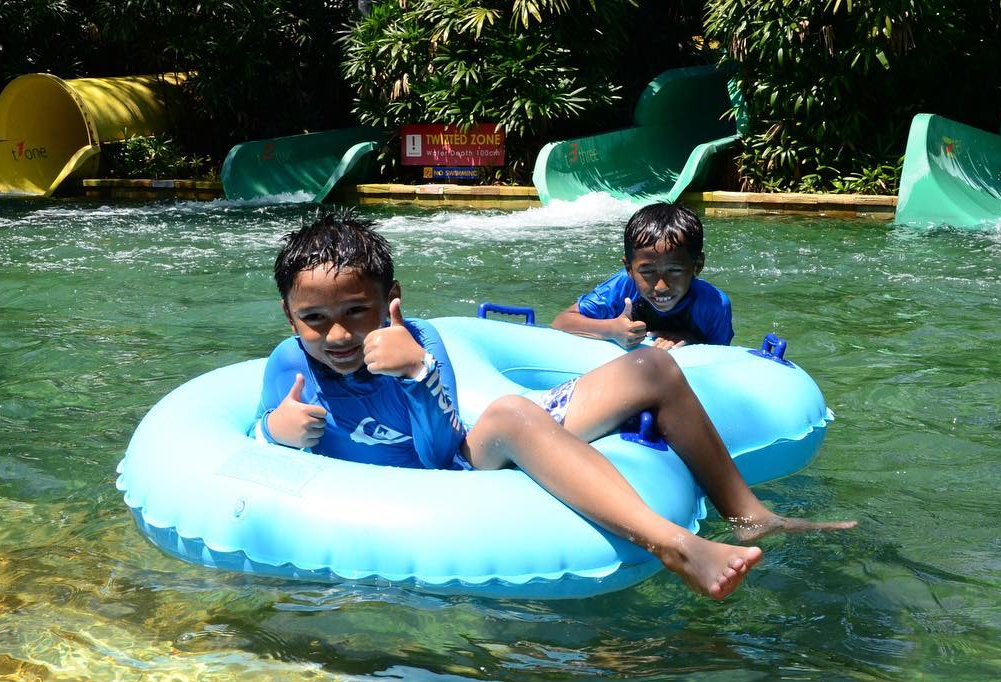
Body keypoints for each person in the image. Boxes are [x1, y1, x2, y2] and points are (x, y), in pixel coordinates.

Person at [255, 211, 855, 600]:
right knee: (517, 414)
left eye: (356, 311)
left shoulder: (423, 343)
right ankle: (674, 544)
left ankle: (751, 514)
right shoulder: (289, 364)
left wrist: (416, 372)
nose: (337, 336)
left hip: (464, 459)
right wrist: (276, 432)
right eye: (314, 319)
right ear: (290, 317)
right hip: (432, 489)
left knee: (653, 366)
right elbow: (260, 449)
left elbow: (442, 449)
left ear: (391, 300)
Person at [552, 203, 732, 350]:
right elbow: (561, 322)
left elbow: (721, 360)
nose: (661, 286)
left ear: (697, 265)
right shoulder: (624, 286)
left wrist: (692, 339)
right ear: (629, 268)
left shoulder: (714, 305)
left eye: (674, 270)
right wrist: (611, 329)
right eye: (647, 271)